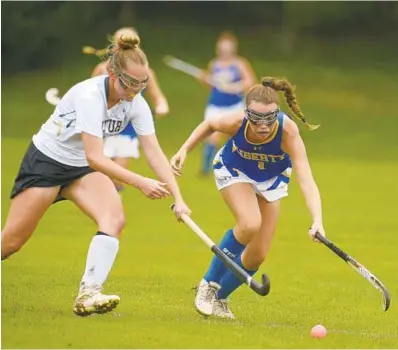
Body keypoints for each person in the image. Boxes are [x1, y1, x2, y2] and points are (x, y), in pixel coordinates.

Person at [2, 33, 190, 317]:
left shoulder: (136, 103)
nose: (136, 90)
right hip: (48, 162)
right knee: (11, 243)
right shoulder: (91, 95)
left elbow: (153, 152)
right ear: (113, 73)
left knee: (114, 219)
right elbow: (96, 156)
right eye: (129, 83)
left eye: (143, 84)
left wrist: (178, 198)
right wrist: (140, 182)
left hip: (82, 168)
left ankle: (88, 293)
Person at [170, 76, 323, 319]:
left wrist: (317, 220)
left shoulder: (288, 131)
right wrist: (184, 149)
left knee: (257, 255)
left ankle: (220, 299)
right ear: (247, 113)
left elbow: (306, 178)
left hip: (271, 180)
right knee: (250, 223)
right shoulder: (236, 122)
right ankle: (208, 285)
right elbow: (209, 124)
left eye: (270, 118)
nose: (263, 125)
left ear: (278, 113)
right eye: (256, 118)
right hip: (235, 170)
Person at [89, 27, 170, 191]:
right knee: (102, 173)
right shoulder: (101, 69)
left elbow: (157, 95)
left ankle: (111, 204)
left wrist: (162, 106)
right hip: (105, 126)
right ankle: (107, 206)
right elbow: (89, 94)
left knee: (118, 173)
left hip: (127, 128)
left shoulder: (146, 72)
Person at [198, 31, 257, 176]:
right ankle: (205, 169)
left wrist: (235, 87)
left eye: (227, 47)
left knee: (236, 136)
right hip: (215, 105)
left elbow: (250, 82)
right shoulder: (214, 64)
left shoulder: (240, 64)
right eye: (222, 47)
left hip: (234, 106)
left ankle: (239, 166)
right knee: (212, 135)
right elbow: (212, 85)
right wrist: (205, 79)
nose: (224, 50)